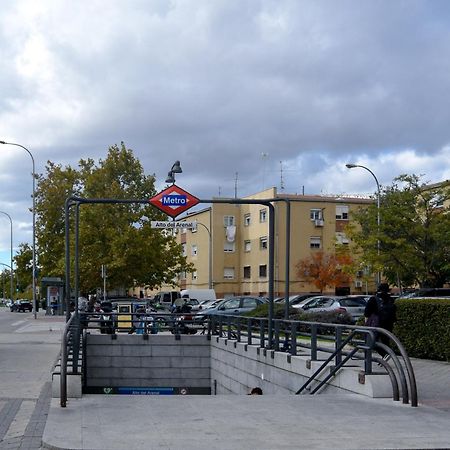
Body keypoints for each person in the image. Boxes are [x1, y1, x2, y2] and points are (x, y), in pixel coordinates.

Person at [376, 283, 397, 360]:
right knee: (385, 341)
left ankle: (385, 354)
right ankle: (385, 355)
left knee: (372, 340)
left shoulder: (380, 298)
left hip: (381, 323)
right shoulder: (391, 299)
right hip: (389, 323)